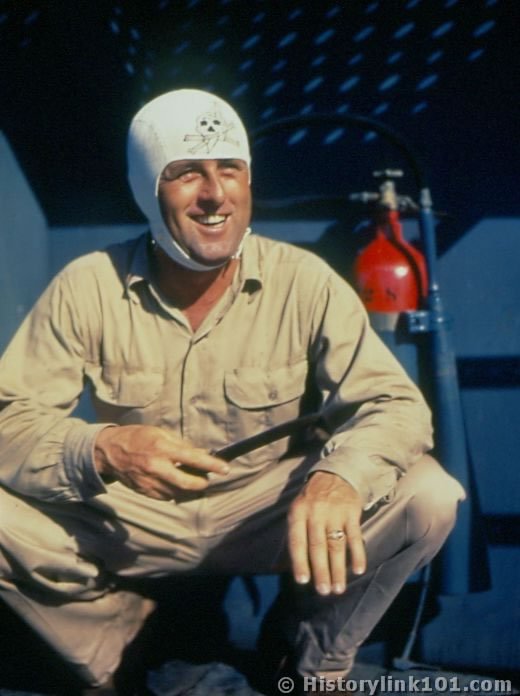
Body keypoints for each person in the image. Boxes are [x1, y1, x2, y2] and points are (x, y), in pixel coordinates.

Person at [0, 89, 464, 695]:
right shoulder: (87, 285)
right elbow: (9, 419)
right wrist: (103, 448)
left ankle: (306, 659)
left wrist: (339, 477)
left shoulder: (304, 281)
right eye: (186, 172)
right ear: (147, 189)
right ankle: (121, 643)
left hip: (266, 512)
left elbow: (394, 405)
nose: (215, 193)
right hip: (131, 521)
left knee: (429, 494)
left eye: (230, 169)